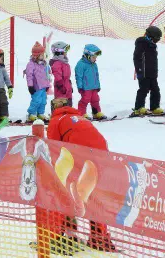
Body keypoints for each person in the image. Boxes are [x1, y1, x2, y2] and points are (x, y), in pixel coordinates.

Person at [47, 98, 116, 252]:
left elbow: (53, 149)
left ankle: (63, 235)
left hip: (79, 154)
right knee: (93, 194)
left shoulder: (56, 120)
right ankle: (99, 237)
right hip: (101, 155)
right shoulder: (79, 118)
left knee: (64, 192)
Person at [133, 26, 164, 116]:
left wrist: (155, 72)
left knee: (155, 90)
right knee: (143, 89)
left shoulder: (153, 46)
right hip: (143, 73)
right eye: (156, 39)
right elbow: (137, 58)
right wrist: (139, 70)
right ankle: (139, 108)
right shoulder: (141, 44)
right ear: (150, 37)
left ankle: (155, 107)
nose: (156, 41)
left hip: (152, 73)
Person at [75, 44, 106, 120]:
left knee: (95, 100)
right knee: (85, 100)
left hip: (94, 87)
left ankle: (96, 113)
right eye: (93, 57)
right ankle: (82, 113)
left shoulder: (94, 65)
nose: (95, 59)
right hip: (86, 88)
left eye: (96, 57)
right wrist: (80, 87)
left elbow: (96, 76)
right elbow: (78, 76)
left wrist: (98, 85)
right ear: (87, 56)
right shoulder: (81, 64)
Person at [25, 42, 49, 122]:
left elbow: (46, 75)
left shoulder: (43, 64)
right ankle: (31, 114)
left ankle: (40, 113)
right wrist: (30, 86)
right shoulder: (31, 64)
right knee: (36, 101)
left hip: (43, 87)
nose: (43, 56)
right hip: (36, 87)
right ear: (36, 55)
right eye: (42, 55)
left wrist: (47, 85)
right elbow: (29, 76)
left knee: (43, 101)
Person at [50, 41, 73, 106]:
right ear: (60, 52)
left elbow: (67, 76)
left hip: (67, 87)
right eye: (65, 52)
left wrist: (69, 85)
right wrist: (61, 86)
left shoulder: (65, 62)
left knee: (68, 104)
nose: (66, 53)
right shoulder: (57, 63)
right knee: (61, 104)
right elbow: (57, 76)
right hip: (61, 88)